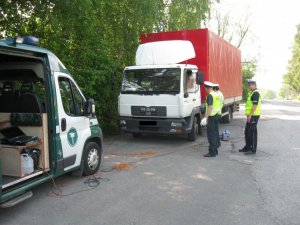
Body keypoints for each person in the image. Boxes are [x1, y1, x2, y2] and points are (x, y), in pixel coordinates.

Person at [239, 79, 262, 155]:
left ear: (254, 85)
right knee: (247, 132)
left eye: (249, 85)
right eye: (248, 85)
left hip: (254, 115)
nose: (248, 86)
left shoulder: (255, 93)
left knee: (252, 132)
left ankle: (252, 149)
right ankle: (247, 147)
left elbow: (255, 105)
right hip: (251, 115)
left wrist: (250, 115)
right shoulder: (252, 93)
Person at [201, 81, 221, 157]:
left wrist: (205, 117)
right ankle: (215, 150)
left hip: (212, 116)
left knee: (211, 135)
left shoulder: (210, 95)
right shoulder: (216, 94)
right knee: (215, 133)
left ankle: (212, 152)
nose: (205, 90)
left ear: (207, 88)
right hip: (217, 115)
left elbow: (210, 107)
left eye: (205, 88)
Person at [213, 84, 224, 148]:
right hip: (218, 112)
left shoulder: (217, 95)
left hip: (215, 113)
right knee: (216, 129)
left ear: (214, 89)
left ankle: (216, 143)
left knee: (214, 130)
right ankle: (218, 143)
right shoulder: (220, 94)